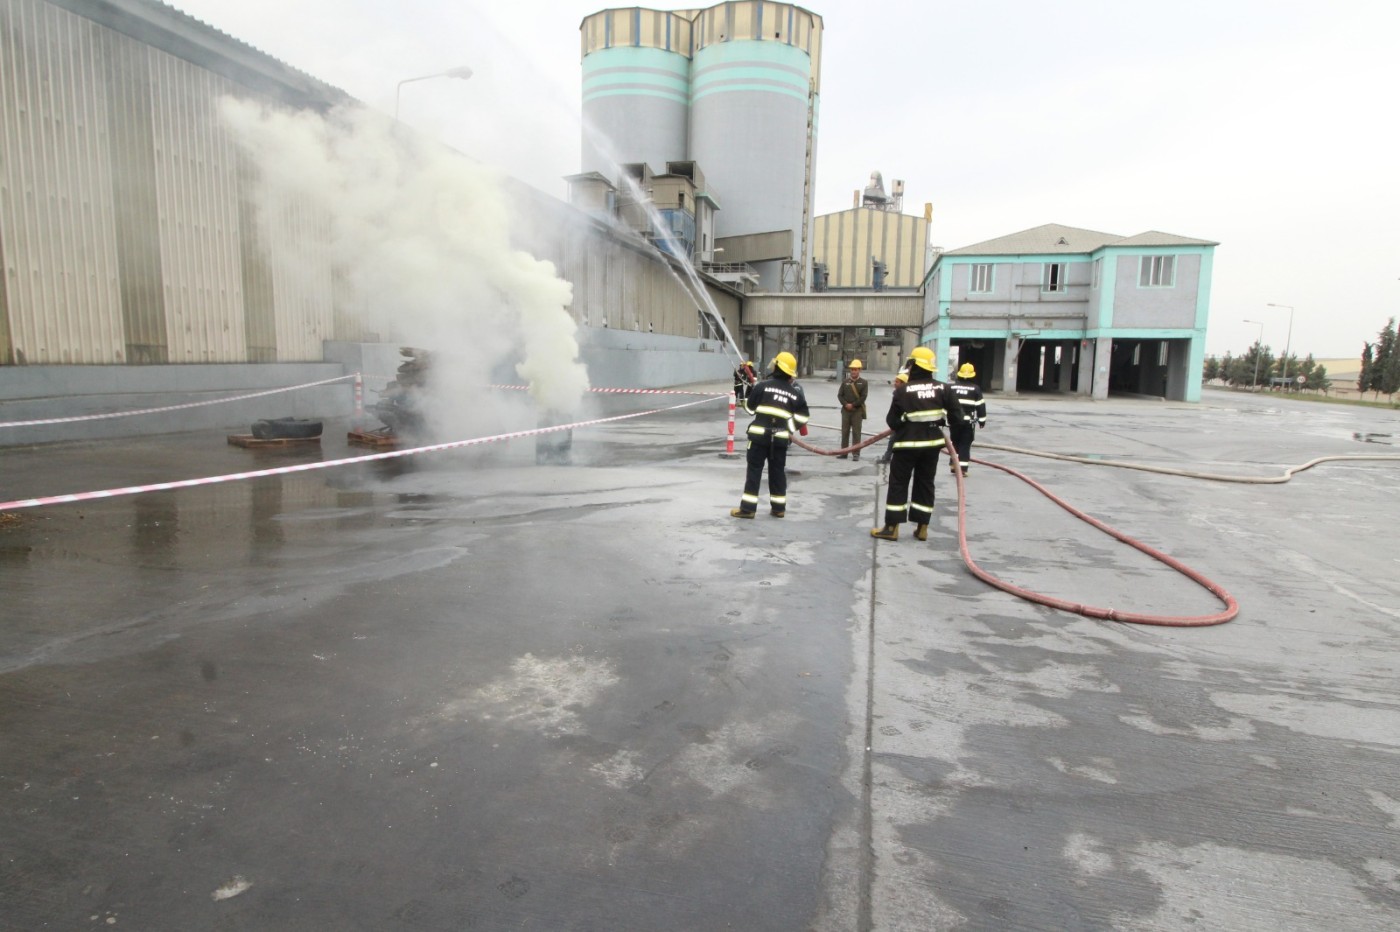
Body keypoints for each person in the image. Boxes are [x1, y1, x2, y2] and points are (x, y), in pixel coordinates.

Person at [871, 347, 954, 542]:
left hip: (906, 445)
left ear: (913, 365)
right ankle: (922, 527)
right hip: (932, 445)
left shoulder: (903, 391)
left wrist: (905, 421)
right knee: (925, 483)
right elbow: (956, 417)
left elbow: (892, 421)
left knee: (899, 484)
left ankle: (892, 528)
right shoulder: (944, 389)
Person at [730, 351, 810, 519]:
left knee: (754, 471)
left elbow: (751, 409)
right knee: (777, 472)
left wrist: (754, 393)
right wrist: (787, 427)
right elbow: (803, 416)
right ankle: (778, 508)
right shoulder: (795, 393)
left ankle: (748, 509)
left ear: (777, 367)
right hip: (780, 440)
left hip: (758, 438)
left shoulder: (762, 386)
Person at [947, 362, 987, 477]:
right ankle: (962, 469)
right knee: (965, 444)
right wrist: (982, 420)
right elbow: (980, 406)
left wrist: (943, 419)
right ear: (972, 375)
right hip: (967, 422)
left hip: (953, 421)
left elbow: (946, 404)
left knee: (954, 442)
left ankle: (953, 465)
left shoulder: (952, 387)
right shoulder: (975, 389)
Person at [836, 359, 869, 460]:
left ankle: (856, 453)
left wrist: (853, 405)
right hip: (846, 411)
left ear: (859, 370)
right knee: (845, 432)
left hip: (857, 411)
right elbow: (840, 395)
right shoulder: (845, 382)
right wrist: (846, 404)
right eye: (852, 369)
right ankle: (844, 452)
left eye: (856, 369)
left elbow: (864, 397)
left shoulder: (863, 383)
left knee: (856, 432)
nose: (853, 371)